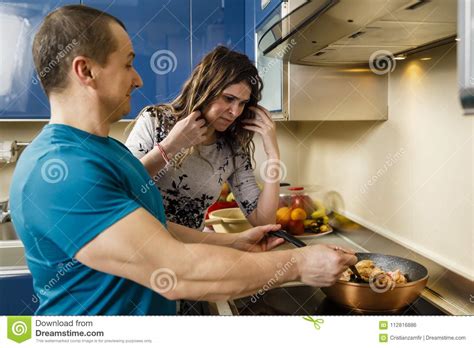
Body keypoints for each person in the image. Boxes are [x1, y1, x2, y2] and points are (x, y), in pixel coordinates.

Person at [9, 4, 357, 315]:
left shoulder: (106, 151)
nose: (139, 78)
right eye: (128, 63)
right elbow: (173, 271)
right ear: (85, 71)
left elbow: (153, 229)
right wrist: (298, 263)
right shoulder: (61, 169)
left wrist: (232, 243)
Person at [125, 46, 279, 230]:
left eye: (242, 103)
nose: (235, 112)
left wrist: (273, 156)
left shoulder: (232, 149)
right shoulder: (156, 121)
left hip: (193, 253)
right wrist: (171, 145)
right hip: (141, 247)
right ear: (204, 90)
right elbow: (124, 188)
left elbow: (263, 221)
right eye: (228, 98)